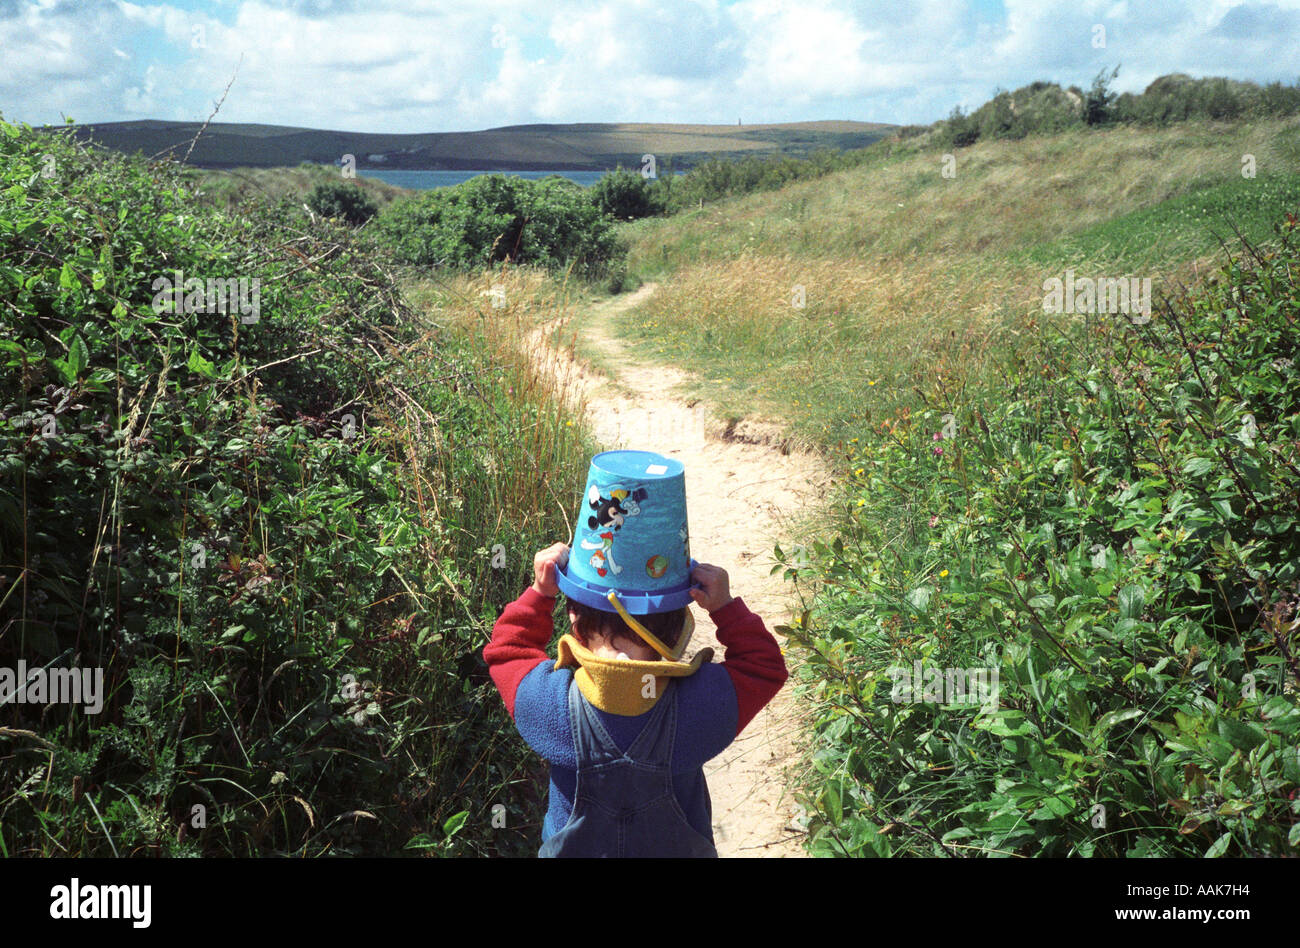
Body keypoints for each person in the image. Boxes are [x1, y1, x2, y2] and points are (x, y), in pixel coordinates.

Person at [483, 541, 788, 857]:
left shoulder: (551, 703)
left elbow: (508, 651)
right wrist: (724, 606)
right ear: (675, 634)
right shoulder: (698, 704)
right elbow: (763, 666)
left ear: (575, 623)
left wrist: (540, 592)